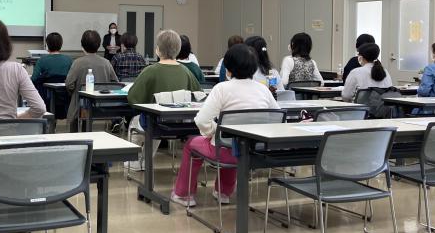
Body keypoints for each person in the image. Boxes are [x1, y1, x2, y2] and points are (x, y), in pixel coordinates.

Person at [171, 44, 279, 207]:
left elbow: (201, 120)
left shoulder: (222, 89)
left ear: (228, 68)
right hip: (253, 150)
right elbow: (277, 118)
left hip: (225, 151)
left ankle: (184, 194)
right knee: (235, 142)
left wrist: (216, 132)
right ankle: (224, 193)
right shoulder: (263, 90)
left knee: (192, 145)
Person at [126, 30, 201, 169]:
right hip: (181, 124)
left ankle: (136, 163)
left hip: (155, 124)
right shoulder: (186, 71)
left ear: (158, 50)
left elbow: (133, 98)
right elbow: (199, 95)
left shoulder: (150, 70)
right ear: (178, 50)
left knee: (136, 121)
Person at [65, 30, 118, 132]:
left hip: (81, 108)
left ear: (82, 44)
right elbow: (115, 84)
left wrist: (75, 92)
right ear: (99, 45)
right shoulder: (106, 63)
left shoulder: (77, 63)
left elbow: (69, 84)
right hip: (102, 108)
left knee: (74, 105)